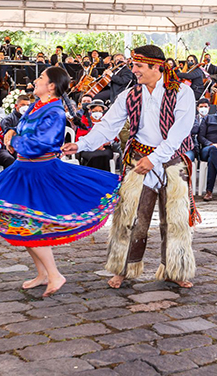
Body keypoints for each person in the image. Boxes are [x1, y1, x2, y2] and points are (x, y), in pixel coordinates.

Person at [0, 66, 120, 297]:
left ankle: (54, 274)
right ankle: (43, 273)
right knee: (11, 216)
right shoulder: (36, 106)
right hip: (24, 168)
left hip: (39, 171)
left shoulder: (55, 112)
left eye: (41, 78)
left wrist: (15, 141)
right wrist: (11, 132)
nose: (36, 80)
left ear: (51, 86)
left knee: (26, 222)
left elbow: (42, 144)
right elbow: (20, 128)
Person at [63, 44, 198, 289]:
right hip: (138, 160)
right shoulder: (129, 95)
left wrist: (155, 158)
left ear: (156, 66)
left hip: (171, 159)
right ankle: (123, 269)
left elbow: (180, 131)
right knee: (130, 217)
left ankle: (175, 269)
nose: (133, 70)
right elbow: (107, 126)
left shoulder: (182, 93)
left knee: (176, 220)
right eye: (133, 65)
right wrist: (81, 144)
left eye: (138, 66)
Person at [75, 100, 117, 172]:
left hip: (104, 148)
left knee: (104, 156)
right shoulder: (84, 121)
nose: (98, 113)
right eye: (95, 111)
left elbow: (113, 137)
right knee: (93, 156)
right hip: (87, 148)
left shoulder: (106, 121)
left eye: (100, 111)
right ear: (90, 111)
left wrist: (102, 144)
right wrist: (95, 145)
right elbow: (80, 137)